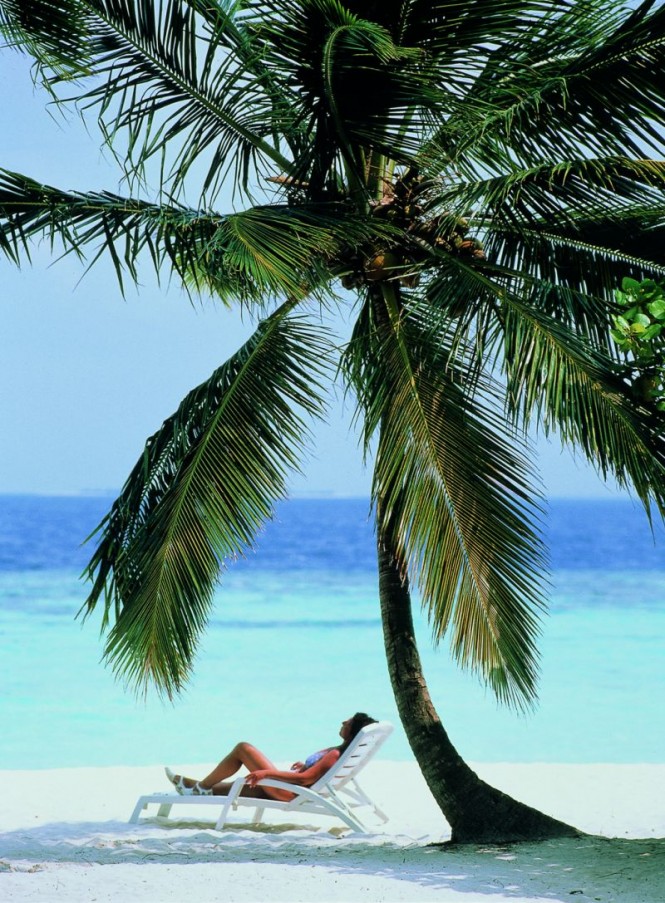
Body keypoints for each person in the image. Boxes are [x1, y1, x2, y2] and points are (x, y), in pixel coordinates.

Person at [165, 712, 378, 802]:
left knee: (244, 748)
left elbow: (305, 780)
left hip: (288, 792)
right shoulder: (339, 752)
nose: (342, 722)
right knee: (233, 788)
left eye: (347, 723)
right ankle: (193, 786)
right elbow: (312, 774)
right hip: (289, 791)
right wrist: (306, 765)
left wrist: (267, 773)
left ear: (352, 731)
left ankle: (201, 786)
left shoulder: (335, 754)